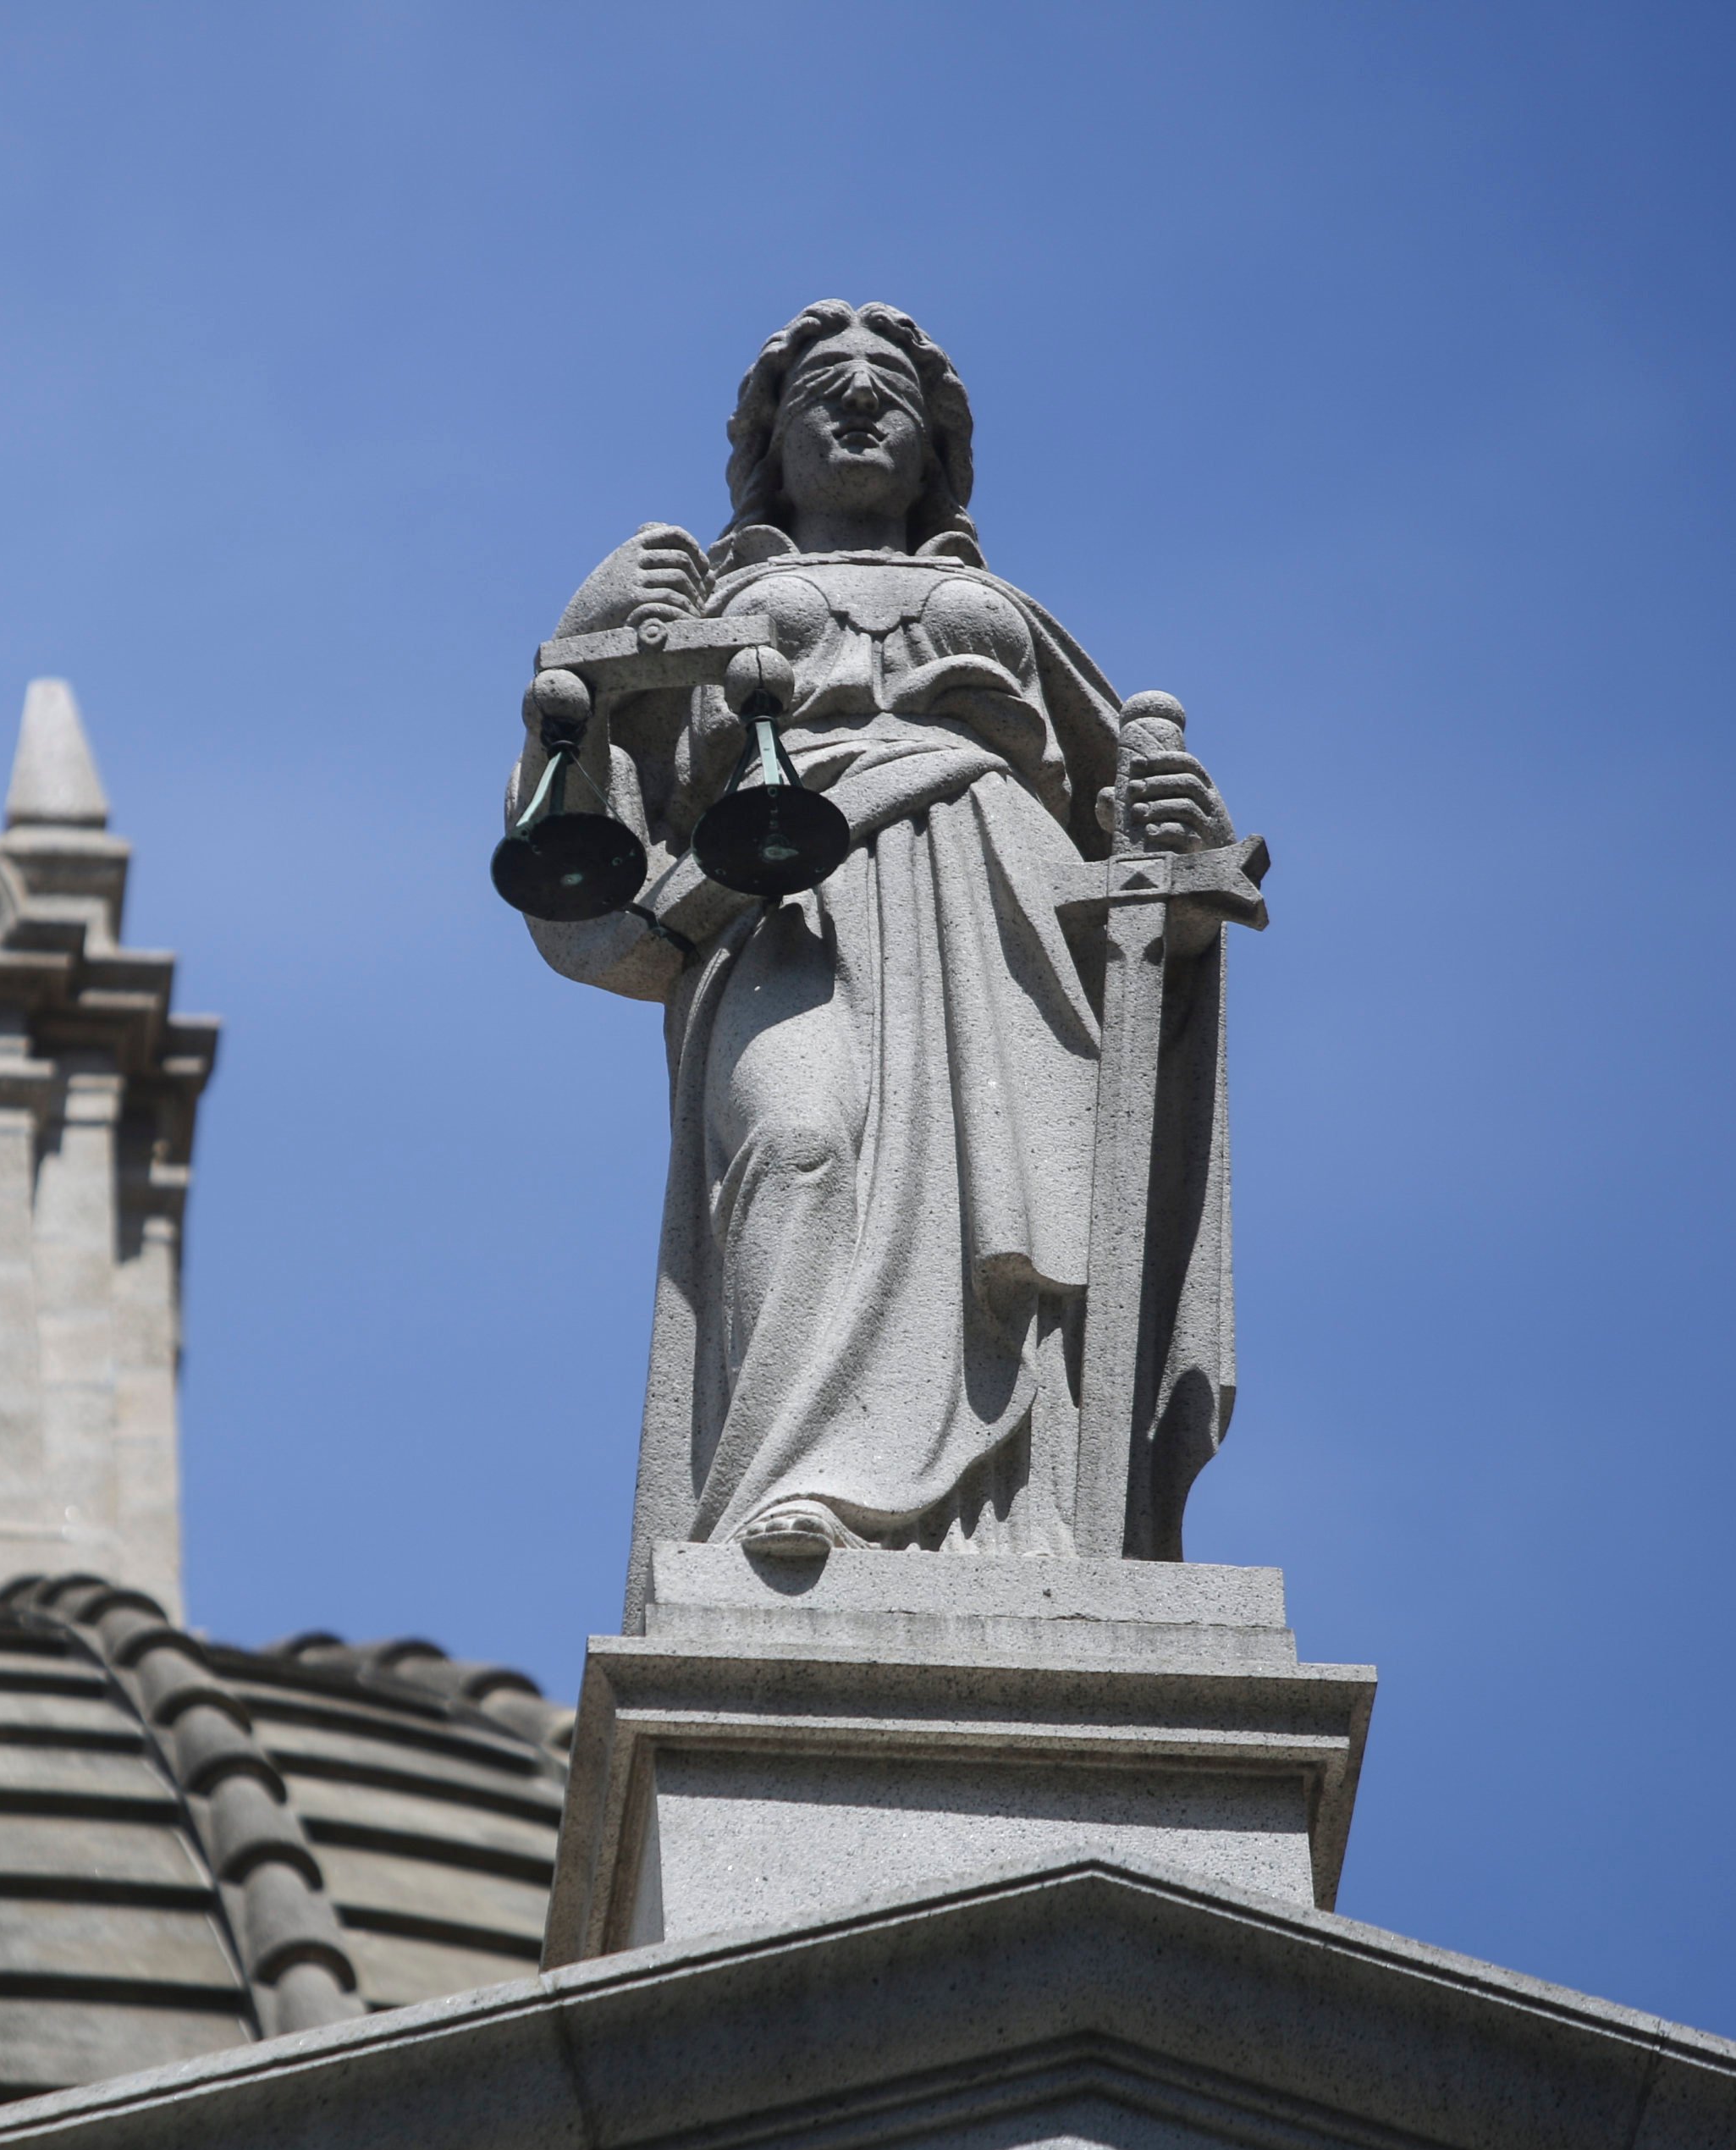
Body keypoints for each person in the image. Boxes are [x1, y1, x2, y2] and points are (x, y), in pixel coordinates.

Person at [510, 300, 1243, 1617]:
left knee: (1015, 1226)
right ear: (769, 448)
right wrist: (587, 645)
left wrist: (1177, 853)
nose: (858, 404)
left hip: (1002, 904)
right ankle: (787, 1482)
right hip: (785, 899)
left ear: (936, 447)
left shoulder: (1009, 613)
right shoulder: (709, 607)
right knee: (796, 1142)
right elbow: (594, 895)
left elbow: (1131, 865)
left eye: (889, 389)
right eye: (823, 391)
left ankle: (1025, 1531)